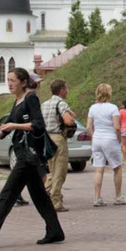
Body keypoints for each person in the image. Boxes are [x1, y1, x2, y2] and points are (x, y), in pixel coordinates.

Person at [0, 68, 65, 248]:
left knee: (7, 195)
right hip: (23, 153)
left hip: (28, 156)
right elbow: (4, 129)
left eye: (13, 80)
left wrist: (15, 125)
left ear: (23, 82)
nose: (9, 83)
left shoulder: (30, 98)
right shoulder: (18, 102)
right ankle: (55, 231)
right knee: (40, 197)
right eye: (8, 80)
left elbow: (38, 125)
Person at [87, 83, 126, 206]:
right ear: (109, 94)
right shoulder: (113, 108)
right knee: (117, 167)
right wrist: (119, 140)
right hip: (110, 139)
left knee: (99, 169)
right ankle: (118, 196)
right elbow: (117, 127)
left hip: (97, 139)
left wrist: (93, 137)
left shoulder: (93, 108)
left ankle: (97, 197)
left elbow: (89, 127)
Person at [42, 79, 76, 212]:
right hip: (58, 138)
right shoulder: (61, 103)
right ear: (61, 90)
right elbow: (68, 120)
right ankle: (55, 202)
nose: (67, 91)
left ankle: (44, 195)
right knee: (59, 171)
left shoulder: (44, 104)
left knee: (51, 169)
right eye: (66, 89)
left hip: (47, 138)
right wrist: (71, 120)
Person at [14, 74, 47, 207]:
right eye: (37, 83)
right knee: (40, 169)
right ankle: (43, 195)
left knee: (28, 171)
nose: (39, 85)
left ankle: (19, 194)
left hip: (25, 141)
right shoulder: (31, 97)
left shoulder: (24, 98)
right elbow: (36, 123)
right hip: (31, 141)